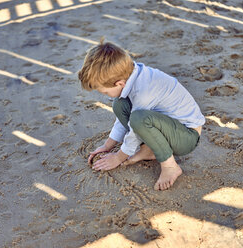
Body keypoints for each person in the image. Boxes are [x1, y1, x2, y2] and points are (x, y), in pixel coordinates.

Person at [78, 38, 205, 191]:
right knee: (120, 104)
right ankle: (150, 150)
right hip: (168, 126)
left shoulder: (144, 90)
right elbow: (123, 118)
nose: (106, 95)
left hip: (186, 136)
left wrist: (118, 157)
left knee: (139, 119)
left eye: (105, 92)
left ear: (119, 83)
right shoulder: (133, 75)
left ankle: (170, 166)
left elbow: (134, 128)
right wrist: (107, 146)